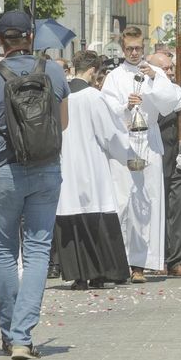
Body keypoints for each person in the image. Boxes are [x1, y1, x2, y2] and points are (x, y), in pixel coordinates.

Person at [0, 10, 70, 360]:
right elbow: (62, 123)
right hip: (45, 169)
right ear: (31, 37)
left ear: (0, 39)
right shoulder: (52, 70)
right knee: (39, 250)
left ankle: (9, 332)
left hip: (5, 172)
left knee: (6, 251)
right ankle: (24, 335)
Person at [102, 26, 181, 284]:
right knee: (123, 200)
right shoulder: (114, 76)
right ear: (122, 48)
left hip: (149, 137)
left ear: (144, 46)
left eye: (138, 48)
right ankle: (120, 261)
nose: (134, 53)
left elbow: (171, 103)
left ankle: (141, 263)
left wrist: (155, 80)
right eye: (129, 49)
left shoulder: (155, 72)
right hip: (125, 141)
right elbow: (105, 107)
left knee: (149, 200)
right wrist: (125, 105)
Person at [51, 50, 131, 290]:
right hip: (91, 164)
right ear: (93, 72)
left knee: (71, 216)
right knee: (96, 213)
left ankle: (78, 276)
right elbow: (109, 134)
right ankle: (101, 272)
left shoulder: (58, 95)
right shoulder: (92, 97)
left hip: (65, 164)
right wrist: (125, 148)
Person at [153, 52, 181, 278]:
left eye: (172, 67)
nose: (171, 72)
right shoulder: (148, 90)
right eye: (165, 68)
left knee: (179, 209)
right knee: (158, 209)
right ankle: (158, 257)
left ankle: (176, 259)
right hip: (158, 155)